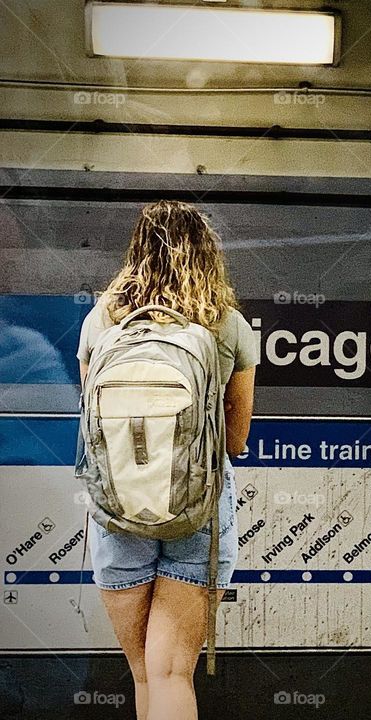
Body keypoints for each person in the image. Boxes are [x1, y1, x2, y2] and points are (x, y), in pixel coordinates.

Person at [76, 200, 258, 720]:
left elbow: (95, 426)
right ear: (207, 254)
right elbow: (236, 440)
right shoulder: (228, 325)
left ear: (136, 251)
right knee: (172, 673)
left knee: (142, 674)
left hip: (119, 509)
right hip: (198, 509)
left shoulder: (101, 320)